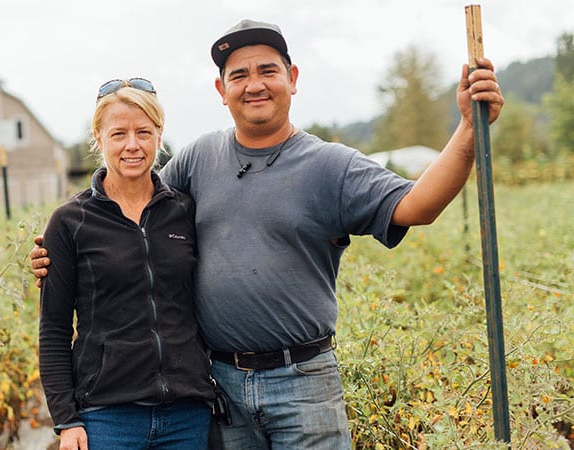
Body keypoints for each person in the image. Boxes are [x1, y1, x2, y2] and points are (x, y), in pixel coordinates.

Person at [32, 19, 504, 449]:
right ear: (221, 89)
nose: (253, 84)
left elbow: (417, 206)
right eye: (238, 75)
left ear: (292, 78)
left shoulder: (330, 165)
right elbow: (135, 209)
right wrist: (63, 251)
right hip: (220, 388)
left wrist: (467, 128)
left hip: (303, 382)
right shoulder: (199, 159)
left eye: (267, 71)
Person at [38, 78, 215, 450]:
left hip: (187, 414)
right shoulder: (70, 221)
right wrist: (66, 419)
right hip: (106, 417)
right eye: (118, 134)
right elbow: (54, 329)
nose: (132, 145)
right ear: (98, 138)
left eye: (143, 132)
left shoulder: (184, 211)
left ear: (159, 136)